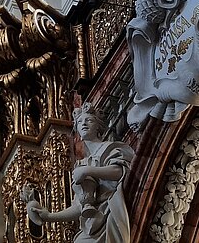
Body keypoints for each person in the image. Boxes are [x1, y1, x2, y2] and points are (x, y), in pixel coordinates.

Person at [25, 102, 133, 243]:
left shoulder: (109, 148)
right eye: (80, 122)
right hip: (95, 220)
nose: (84, 124)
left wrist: (88, 171)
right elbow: (78, 206)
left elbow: (120, 171)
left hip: (113, 206)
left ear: (98, 126)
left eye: (89, 120)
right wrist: (49, 216)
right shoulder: (82, 164)